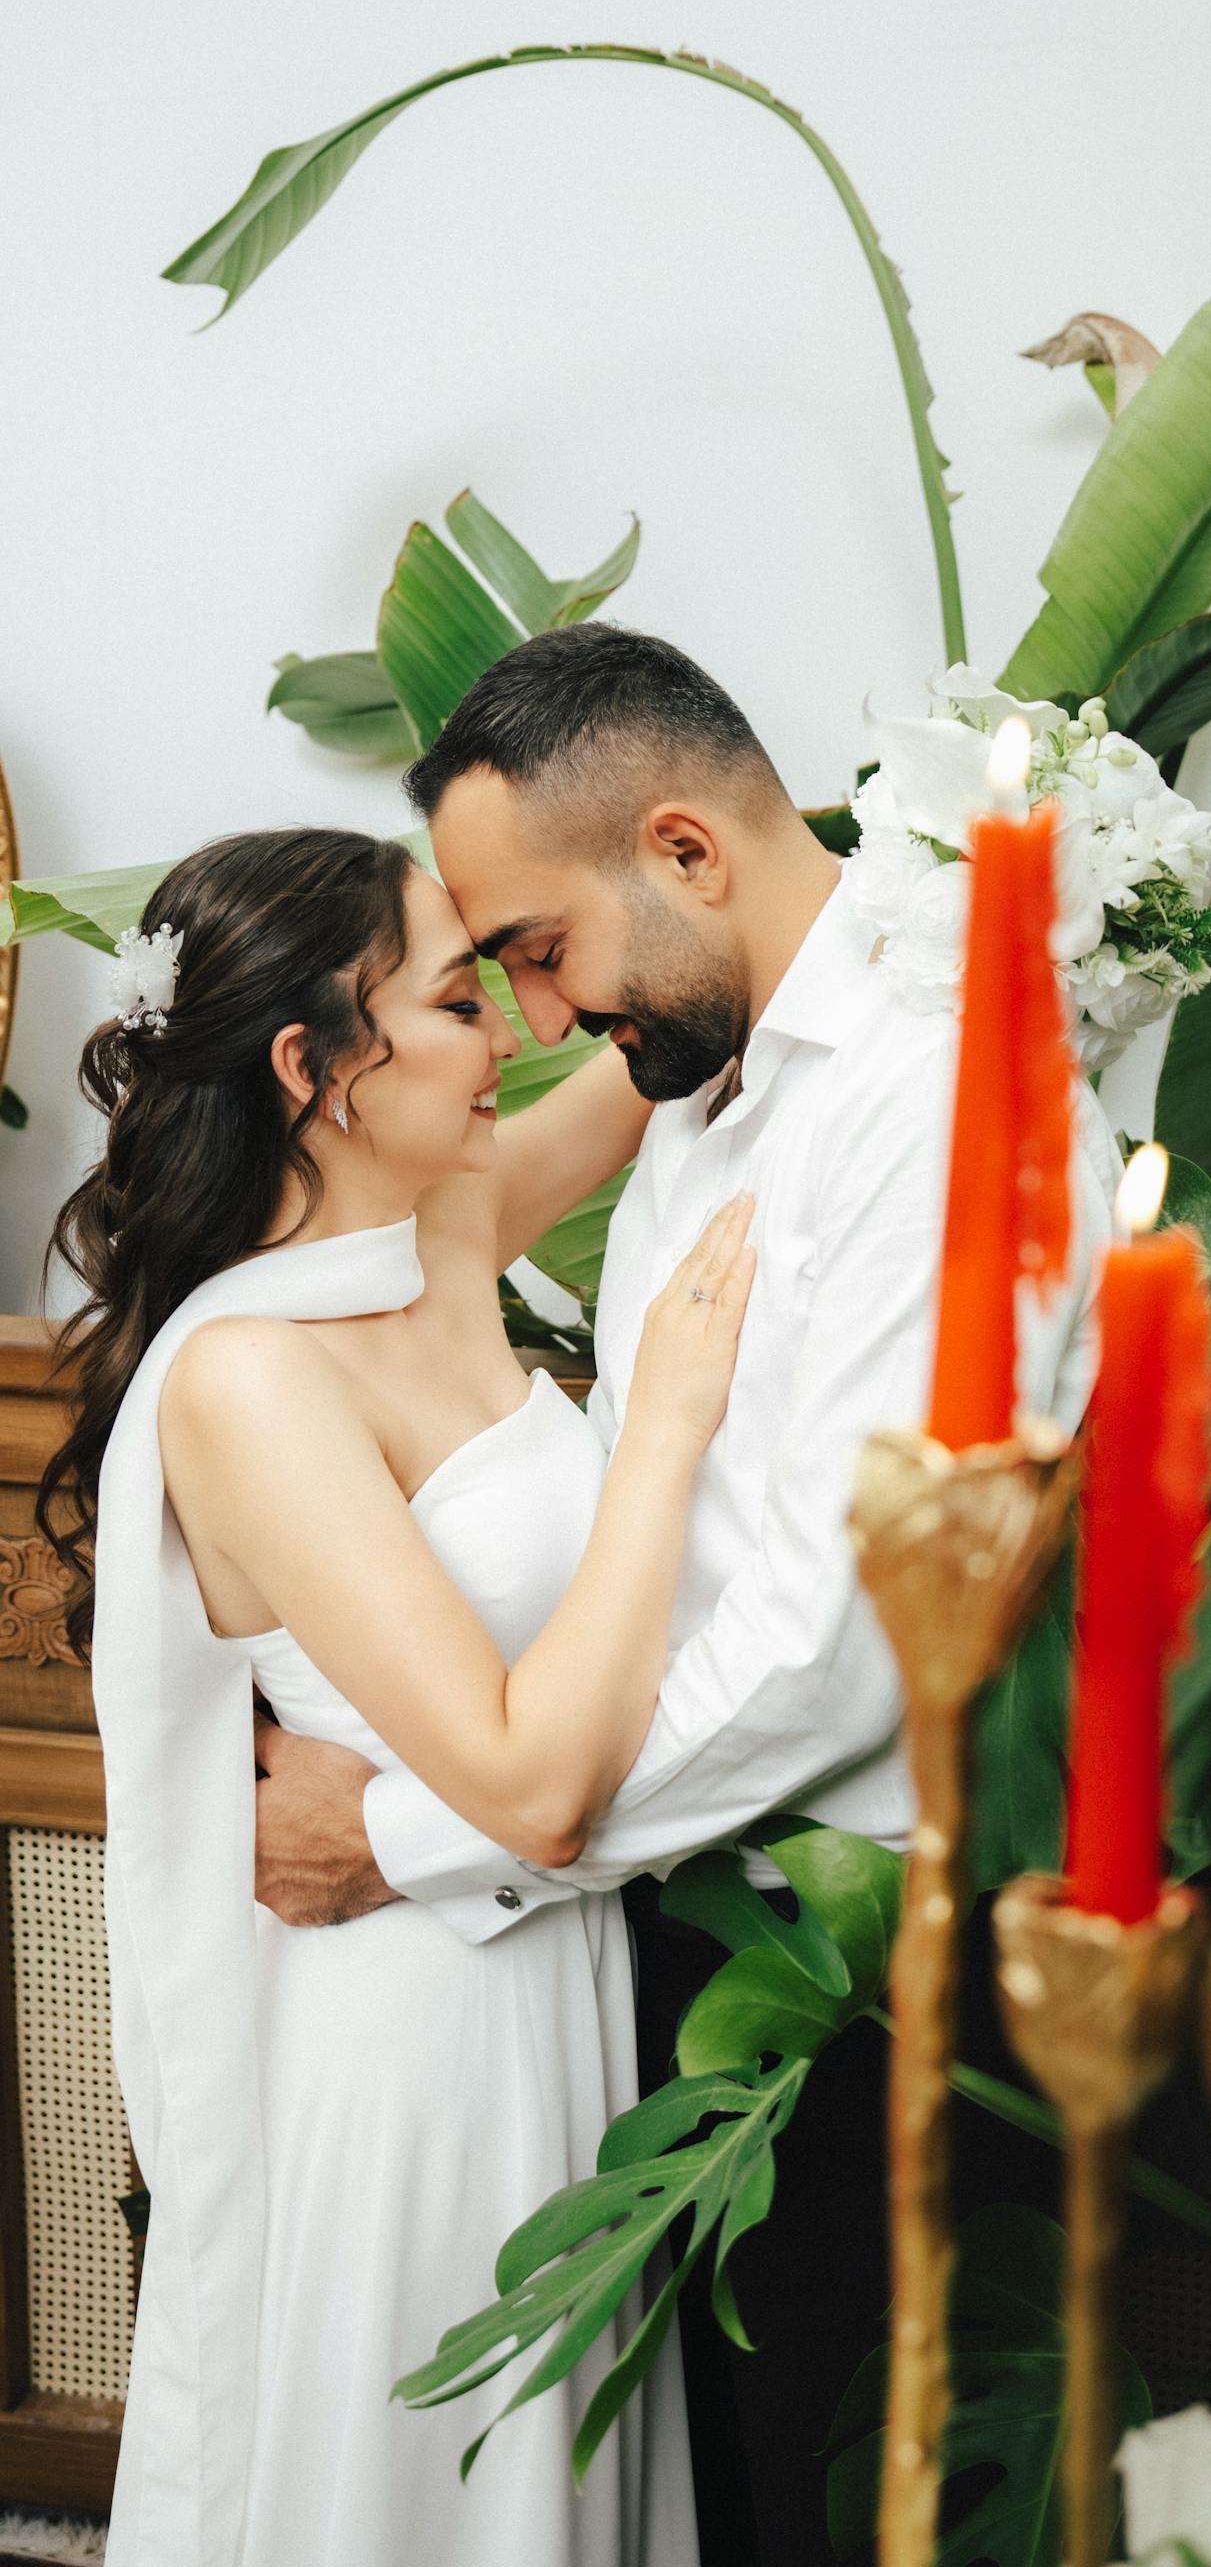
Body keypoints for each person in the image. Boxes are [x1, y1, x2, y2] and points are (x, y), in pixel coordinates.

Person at [253, 625, 1119, 2566]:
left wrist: (414, 1836)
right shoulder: (706, 1070)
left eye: (542, 951)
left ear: (687, 852)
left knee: (831, 2495)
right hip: (672, 1915)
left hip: (868, 1966)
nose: (540, 1020)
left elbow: (841, 1632)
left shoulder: (935, 1084)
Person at [44, 823, 737, 2567]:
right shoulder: (249, 1385)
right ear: (316, 1068)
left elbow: (676, 1048)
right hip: (403, 2040)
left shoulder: (446, 1228)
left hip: (550, 1984)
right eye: (452, 999)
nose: (512, 1027)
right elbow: (529, 1782)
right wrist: (658, 1430)